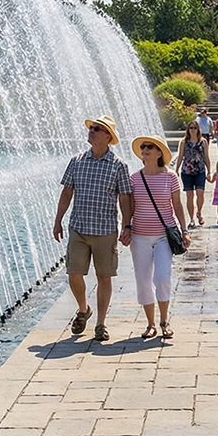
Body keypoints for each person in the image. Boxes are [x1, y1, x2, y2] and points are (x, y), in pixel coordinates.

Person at [53, 115, 133, 342]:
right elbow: (67, 192)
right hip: (78, 227)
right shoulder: (77, 161)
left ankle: (100, 323)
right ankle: (83, 309)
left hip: (105, 229)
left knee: (104, 277)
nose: (91, 131)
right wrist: (58, 219)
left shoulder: (118, 166)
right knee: (74, 273)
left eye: (97, 129)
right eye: (91, 128)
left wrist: (128, 225)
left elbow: (125, 198)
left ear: (108, 137)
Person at [121, 135, 190, 340]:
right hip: (139, 236)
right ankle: (150, 324)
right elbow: (129, 206)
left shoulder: (170, 177)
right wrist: (126, 227)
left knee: (162, 278)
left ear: (159, 152)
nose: (145, 149)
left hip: (163, 236)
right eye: (143, 147)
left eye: (150, 147)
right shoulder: (134, 178)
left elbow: (177, 205)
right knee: (143, 282)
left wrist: (184, 229)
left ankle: (164, 320)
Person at [175, 120, 210, 227]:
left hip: (200, 170)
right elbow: (180, 156)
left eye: (195, 128)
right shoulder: (183, 142)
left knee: (200, 192)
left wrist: (209, 171)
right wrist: (176, 169)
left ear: (198, 129)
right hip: (187, 171)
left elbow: (206, 157)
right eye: (191, 128)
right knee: (189, 195)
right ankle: (191, 219)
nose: (193, 130)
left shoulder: (203, 142)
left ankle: (199, 212)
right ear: (188, 130)